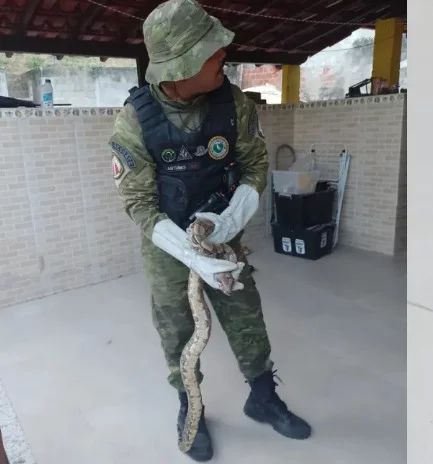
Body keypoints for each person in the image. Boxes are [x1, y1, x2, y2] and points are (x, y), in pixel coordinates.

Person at [108, 0, 310, 460]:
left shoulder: (233, 103)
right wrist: (191, 255)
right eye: (213, 52)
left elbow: (256, 166)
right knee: (178, 330)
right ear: (182, 67)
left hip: (222, 233)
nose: (225, 57)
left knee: (246, 317)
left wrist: (230, 219)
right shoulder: (135, 120)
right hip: (166, 246)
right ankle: (189, 407)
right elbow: (139, 205)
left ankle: (263, 397)